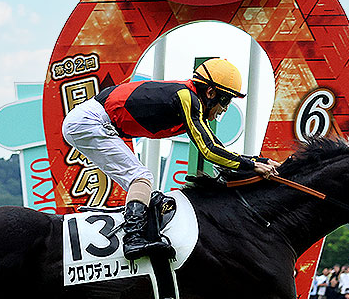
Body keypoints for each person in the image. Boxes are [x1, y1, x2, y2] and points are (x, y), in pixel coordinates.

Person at [62, 58, 280, 259]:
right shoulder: (187, 98)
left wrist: (258, 161)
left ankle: (138, 232)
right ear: (211, 92)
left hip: (90, 121)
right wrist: (252, 165)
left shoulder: (190, 98)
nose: (224, 109)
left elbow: (215, 146)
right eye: (225, 100)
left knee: (144, 186)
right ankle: (133, 239)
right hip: (91, 121)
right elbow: (210, 150)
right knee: (141, 178)